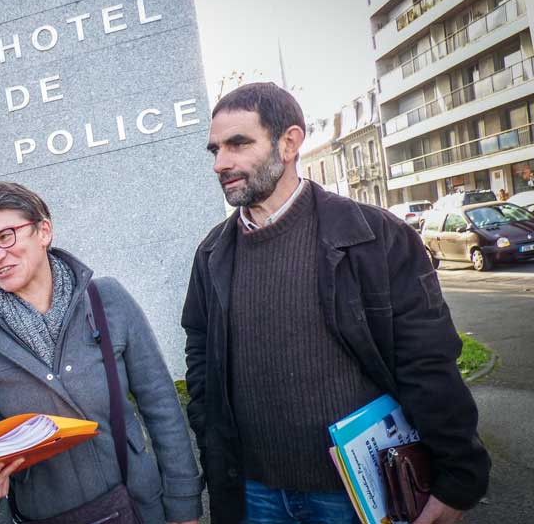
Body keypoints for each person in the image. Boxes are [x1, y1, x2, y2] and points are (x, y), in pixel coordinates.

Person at [182, 83, 490, 524]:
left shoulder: (376, 236)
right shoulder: (212, 253)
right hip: (254, 494)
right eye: (215, 149)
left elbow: (429, 363)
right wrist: (211, 442)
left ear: (289, 143)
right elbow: (200, 357)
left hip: (357, 497)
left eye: (238, 143)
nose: (220, 163)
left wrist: (458, 479)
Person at [0, 182, 202, 523]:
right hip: (44, 515)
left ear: (44, 231)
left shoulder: (107, 300)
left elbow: (162, 407)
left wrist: (184, 506)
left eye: (6, 236)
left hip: (138, 505)